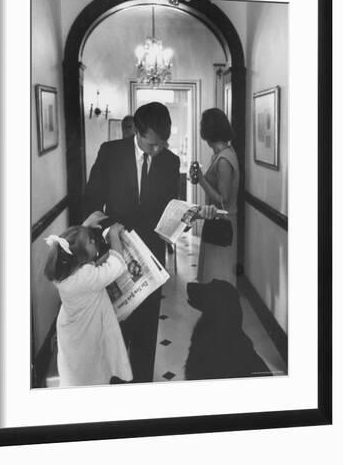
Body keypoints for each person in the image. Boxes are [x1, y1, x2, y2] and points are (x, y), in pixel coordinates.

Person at [83, 102, 180, 382]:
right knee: (115, 330)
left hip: (151, 261)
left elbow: (167, 209)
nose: (158, 151)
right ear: (137, 132)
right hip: (113, 255)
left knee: (146, 332)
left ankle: (142, 390)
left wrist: (182, 217)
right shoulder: (110, 153)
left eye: (163, 144)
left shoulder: (170, 161)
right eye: (152, 145)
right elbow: (89, 202)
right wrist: (109, 229)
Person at [44, 222, 132, 387]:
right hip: (87, 332)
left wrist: (84, 227)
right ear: (80, 255)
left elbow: (86, 263)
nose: (94, 241)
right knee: (93, 371)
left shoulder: (63, 272)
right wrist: (114, 235)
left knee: (75, 372)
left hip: (71, 331)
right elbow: (117, 265)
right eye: (90, 241)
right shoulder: (86, 277)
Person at [189, 108, 240, 286]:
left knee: (217, 276)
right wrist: (200, 178)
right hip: (215, 220)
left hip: (222, 223)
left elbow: (223, 199)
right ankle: (212, 312)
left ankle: (217, 312)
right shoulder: (220, 154)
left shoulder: (224, 160)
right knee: (211, 275)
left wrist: (201, 180)